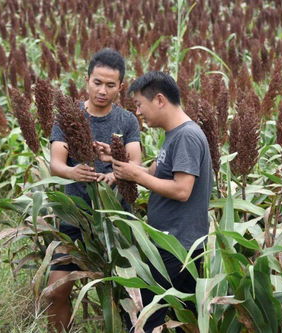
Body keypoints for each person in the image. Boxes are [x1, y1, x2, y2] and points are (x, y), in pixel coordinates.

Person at [96, 71, 213, 332]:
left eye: (139, 104)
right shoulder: (174, 135)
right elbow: (154, 173)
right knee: (182, 318)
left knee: (144, 318)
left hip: (177, 246)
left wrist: (134, 174)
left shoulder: (186, 136)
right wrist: (116, 160)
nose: (137, 112)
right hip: (170, 243)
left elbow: (182, 189)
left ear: (159, 99)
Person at [47, 48, 141, 332]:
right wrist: (72, 172)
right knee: (56, 292)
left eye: (110, 85)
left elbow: (136, 161)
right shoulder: (69, 116)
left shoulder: (126, 120)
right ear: (86, 80)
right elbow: (56, 164)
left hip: (115, 220)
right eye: (97, 82)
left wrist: (116, 173)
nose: (102, 90)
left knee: (129, 295)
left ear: (120, 87)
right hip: (75, 217)